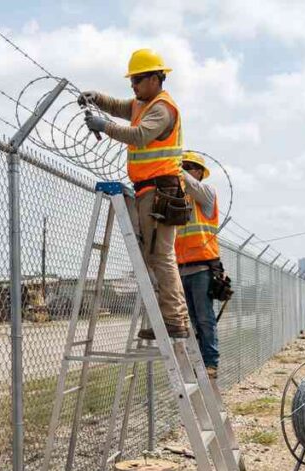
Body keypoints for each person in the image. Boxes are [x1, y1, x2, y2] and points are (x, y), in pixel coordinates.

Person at [78, 49, 190, 339]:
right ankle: (169, 318)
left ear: (155, 78)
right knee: (154, 255)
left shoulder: (162, 108)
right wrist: (97, 99)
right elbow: (119, 106)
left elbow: (139, 136)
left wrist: (104, 126)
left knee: (161, 256)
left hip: (160, 190)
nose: (133, 85)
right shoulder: (143, 104)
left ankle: (174, 320)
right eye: (132, 80)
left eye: (138, 79)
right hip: (151, 190)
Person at [176, 151, 221, 379]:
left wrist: (174, 164)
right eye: (184, 165)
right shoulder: (179, 198)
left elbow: (191, 184)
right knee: (191, 319)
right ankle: (198, 361)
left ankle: (210, 362)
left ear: (200, 173)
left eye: (190, 166)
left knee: (204, 318)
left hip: (202, 267)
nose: (186, 169)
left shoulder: (206, 194)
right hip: (180, 267)